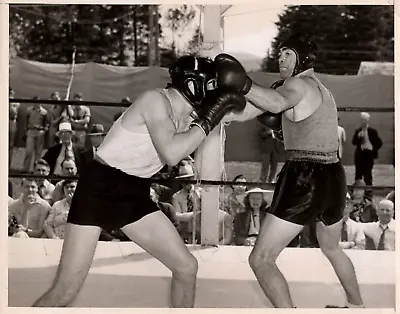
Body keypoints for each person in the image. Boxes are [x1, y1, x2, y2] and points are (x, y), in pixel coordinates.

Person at [32, 54, 247, 308]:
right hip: (100, 187)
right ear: (194, 83)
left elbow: (242, 111)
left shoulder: (191, 117)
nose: (214, 92)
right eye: (211, 85)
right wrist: (209, 119)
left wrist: (247, 89)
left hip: (135, 192)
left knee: (186, 267)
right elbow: (171, 153)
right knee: (65, 290)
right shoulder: (156, 101)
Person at [221, 33, 365, 308]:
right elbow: (252, 110)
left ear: (302, 57)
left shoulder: (297, 85)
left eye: (288, 53)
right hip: (333, 174)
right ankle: (358, 307)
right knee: (332, 247)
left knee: (260, 259)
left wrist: (243, 83)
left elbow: (273, 104)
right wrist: (213, 114)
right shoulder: (317, 88)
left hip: (305, 177)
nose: (281, 58)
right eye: (280, 53)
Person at [352, 112, 382, 199]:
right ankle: (357, 193)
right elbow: (353, 142)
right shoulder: (358, 131)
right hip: (360, 155)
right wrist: (358, 137)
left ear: (367, 120)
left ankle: (368, 193)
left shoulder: (372, 131)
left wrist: (373, 148)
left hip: (368, 154)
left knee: (368, 174)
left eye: (364, 120)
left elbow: (379, 143)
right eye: (361, 120)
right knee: (358, 174)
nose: (363, 122)